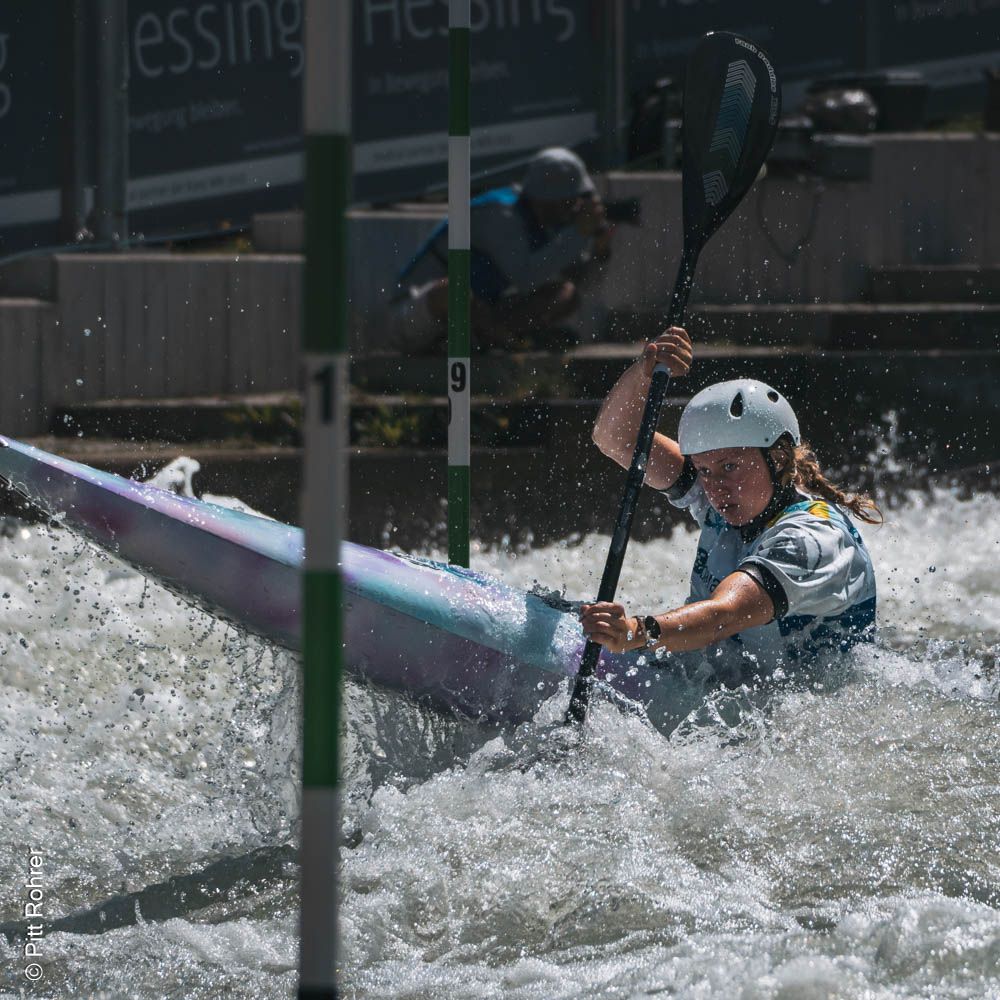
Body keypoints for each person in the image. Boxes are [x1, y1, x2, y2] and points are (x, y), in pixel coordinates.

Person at [581, 327, 879, 684]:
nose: (716, 486)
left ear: (779, 458)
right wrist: (645, 369)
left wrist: (635, 632)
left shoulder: (812, 539)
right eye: (704, 469)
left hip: (798, 712)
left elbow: (728, 611)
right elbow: (615, 438)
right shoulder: (724, 496)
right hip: (729, 687)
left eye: (730, 467)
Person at [391, 147, 613, 353]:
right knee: (454, 291)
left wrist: (599, 253)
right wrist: (578, 234)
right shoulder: (500, 214)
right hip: (416, 315)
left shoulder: (548, 225)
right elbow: (527, 276)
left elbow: (582, 285)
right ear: (548, 199)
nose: (576, 208)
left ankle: (495, 341)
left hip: (477, 317)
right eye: (570, 201)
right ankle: (501, 340)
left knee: (565, 294)